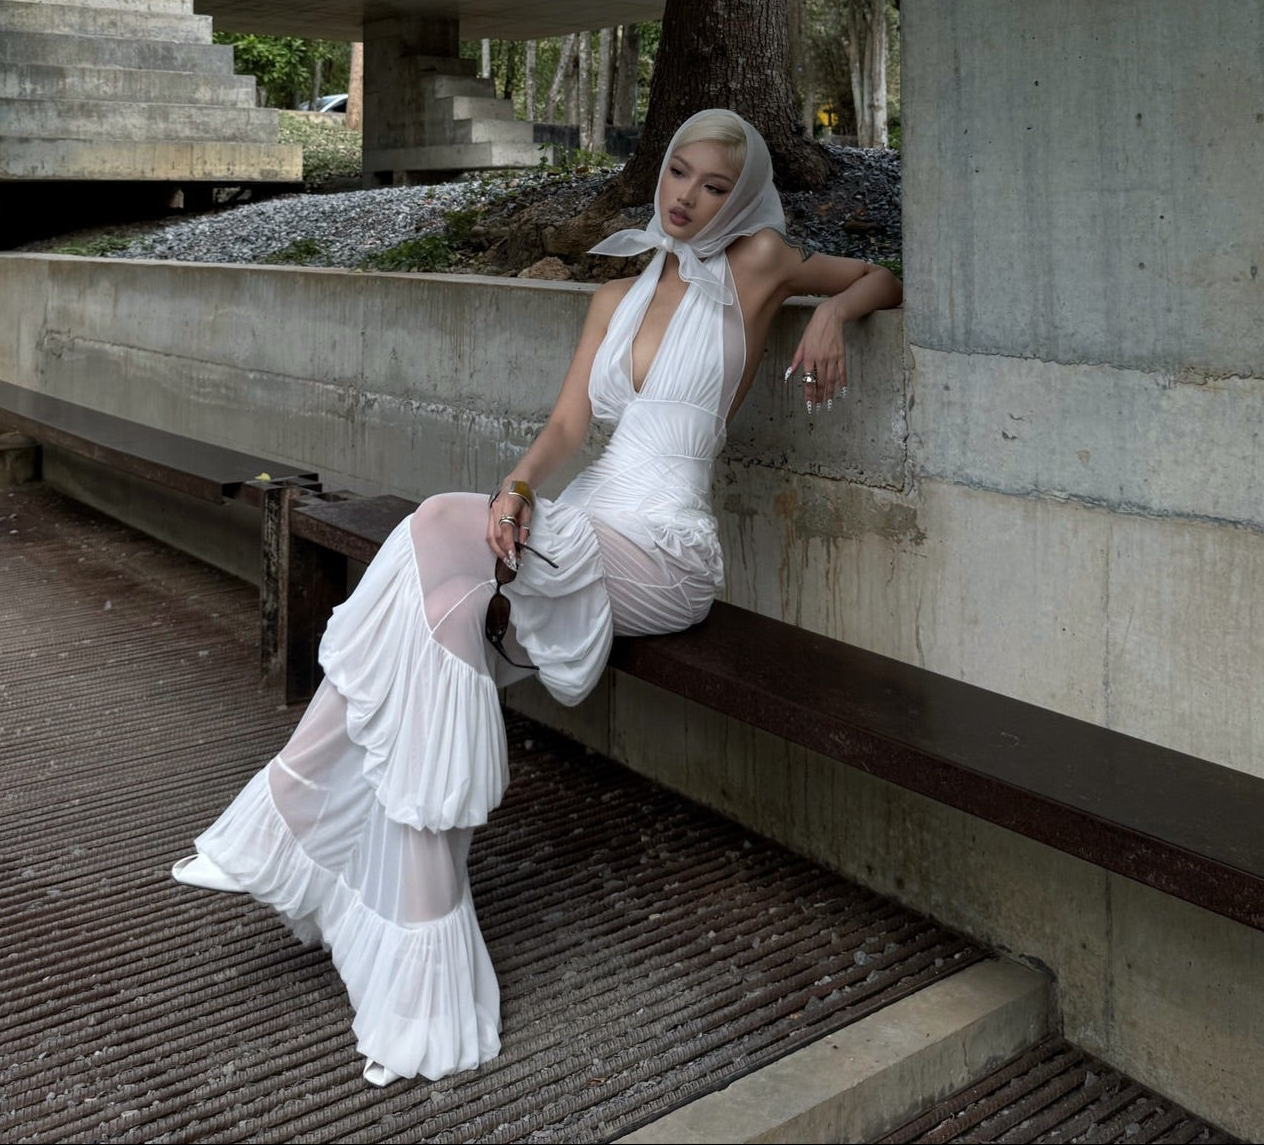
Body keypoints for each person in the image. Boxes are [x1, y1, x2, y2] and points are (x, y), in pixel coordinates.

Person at [170, 109, 903, 1086]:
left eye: (713, 185)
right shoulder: (613, 296)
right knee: (440, 616)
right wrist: (517, 489)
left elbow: (880, 274)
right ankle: (419, 933)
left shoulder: (758, 263)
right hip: (587, 521)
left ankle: (294, 806)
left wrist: (832, 313)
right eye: (677, 173)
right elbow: (564, 429)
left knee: (435, 528)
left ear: (742, 198)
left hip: (665, 551)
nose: (686, 197)